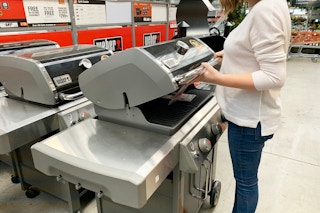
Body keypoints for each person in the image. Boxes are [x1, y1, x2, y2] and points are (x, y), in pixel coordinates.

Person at [194, 0, 291, 212]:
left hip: (249, 121)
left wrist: (217, 78)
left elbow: (274, 77)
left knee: (246, 183)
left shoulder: (266, 9)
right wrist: (229, 55)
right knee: (246, 181)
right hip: (253, 115)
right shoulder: (271, 4)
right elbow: (256, 52)